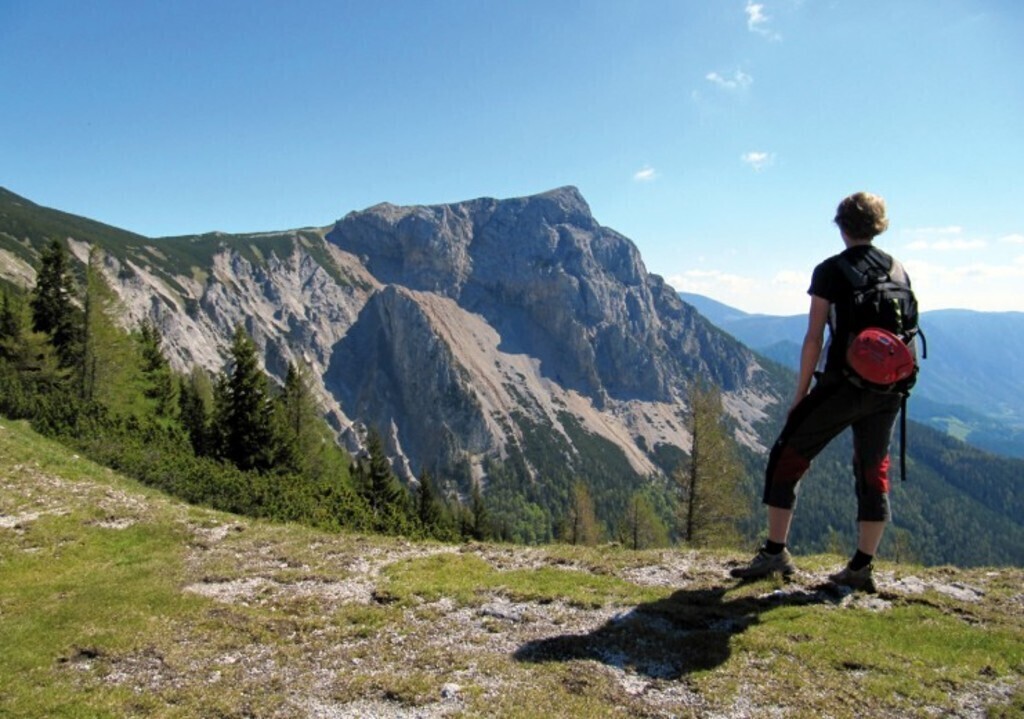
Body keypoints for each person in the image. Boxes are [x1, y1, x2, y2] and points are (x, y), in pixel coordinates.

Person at [730, 191, 912, 592]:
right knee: (873, 470)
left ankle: (775, 552)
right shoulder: (899, 270)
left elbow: (814, 338)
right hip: (889, 389)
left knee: (787, 455)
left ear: (842, 225)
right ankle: (862, 566)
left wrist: (799, 395)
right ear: (878, 226)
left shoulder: (830, 270)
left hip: (841, 385)